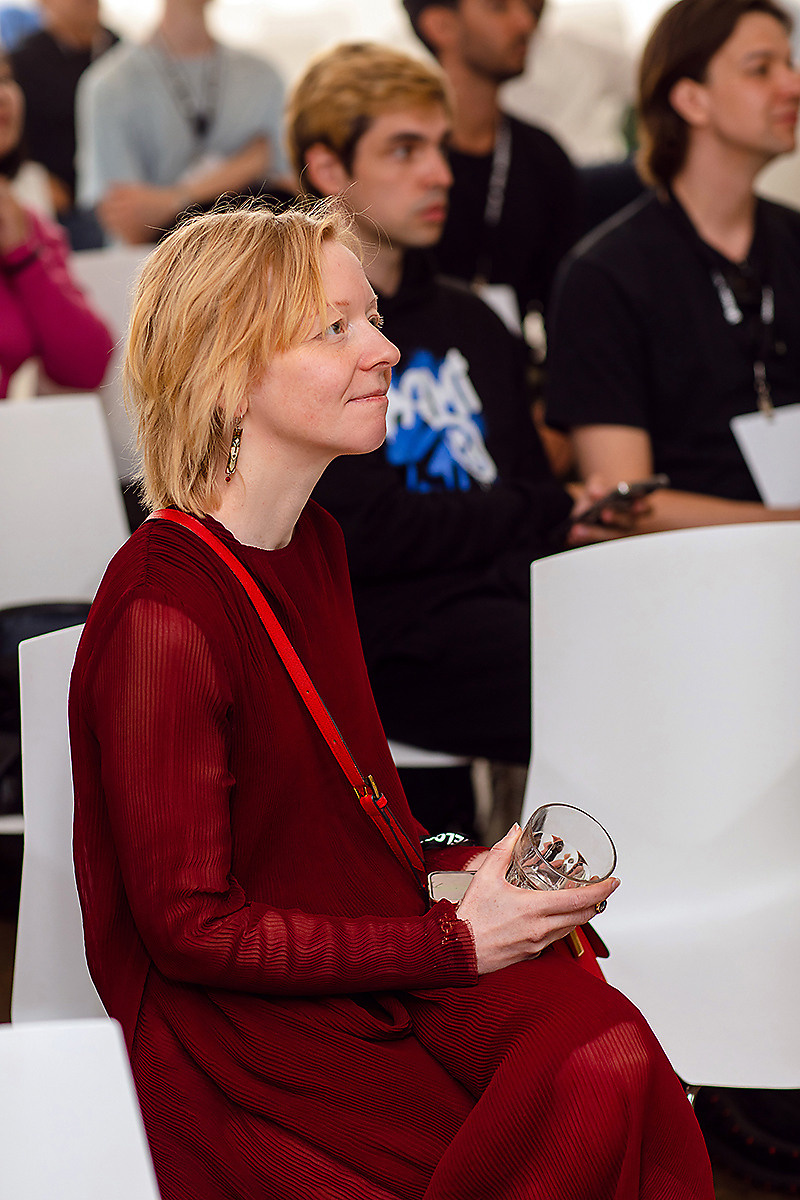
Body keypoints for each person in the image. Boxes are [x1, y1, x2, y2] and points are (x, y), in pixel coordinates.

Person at [68, 200, 714, 1200]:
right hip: (242, 1033)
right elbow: (189, 932)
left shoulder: (312, 544)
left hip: (359, 960)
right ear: (230, 376)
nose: (384, 349)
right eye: (336, 329)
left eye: (369, 317)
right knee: (562, 1090)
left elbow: (345, 814)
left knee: (603, 1046)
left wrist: (468, 873)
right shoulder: (165, 611)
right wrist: (455, 940)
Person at [287, 43, 626, 832]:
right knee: (616, 676)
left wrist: (520, 518)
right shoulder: (294, 334)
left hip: (496, 608)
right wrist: (520, 515)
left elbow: (534, 498)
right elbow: (356, 532)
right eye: (404, 150)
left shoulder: (474, 322)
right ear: (327, 167)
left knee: (654, 632)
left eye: (440, 147)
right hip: (376, 641)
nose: (439, 172)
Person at [545, 0, 800, 531]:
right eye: (761, 69)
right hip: (688, 575)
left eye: (789, 64)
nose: (791, 85)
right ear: (691, 99)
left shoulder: (794, 237)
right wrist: (786, 526)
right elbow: (623, 503)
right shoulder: (605, 276)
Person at [401, 0, 579, 327]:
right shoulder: (394, 164)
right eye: (499, 7)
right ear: (441, 26)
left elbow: (568, 307)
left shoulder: (544, 156)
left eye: (530, 8)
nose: (526, 23)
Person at [75, 0, 290, 245]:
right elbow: (130, 226)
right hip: (158, 271)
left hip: (257, 261)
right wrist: (245, 166)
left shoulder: (263, 78)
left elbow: (288, 193)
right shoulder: (110, 86)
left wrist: (170, 201)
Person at [0, 50, 113, 397]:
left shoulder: (24, 222)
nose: (3, 95)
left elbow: (88, 366)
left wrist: (23, 258)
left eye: (5, 79)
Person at [10, 0, 117, 247]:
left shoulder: (123, 54)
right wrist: (40, 179)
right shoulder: (23, 63)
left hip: (118, 197)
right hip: (61, 205)